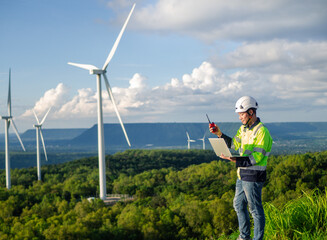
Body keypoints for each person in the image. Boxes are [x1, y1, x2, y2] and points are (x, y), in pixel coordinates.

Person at [209, 96, 273, 240]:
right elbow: (234, 145)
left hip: (254, 176)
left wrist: (234, 159)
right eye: (239, 114)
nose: (240, 117)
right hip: (242, 175)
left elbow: (257, 157)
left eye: (242, 114)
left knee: (255, 210)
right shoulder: (243, 129)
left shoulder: (262, 131)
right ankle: (244, 237)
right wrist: (219, 134)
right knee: (238, 205)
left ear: (251, 112)